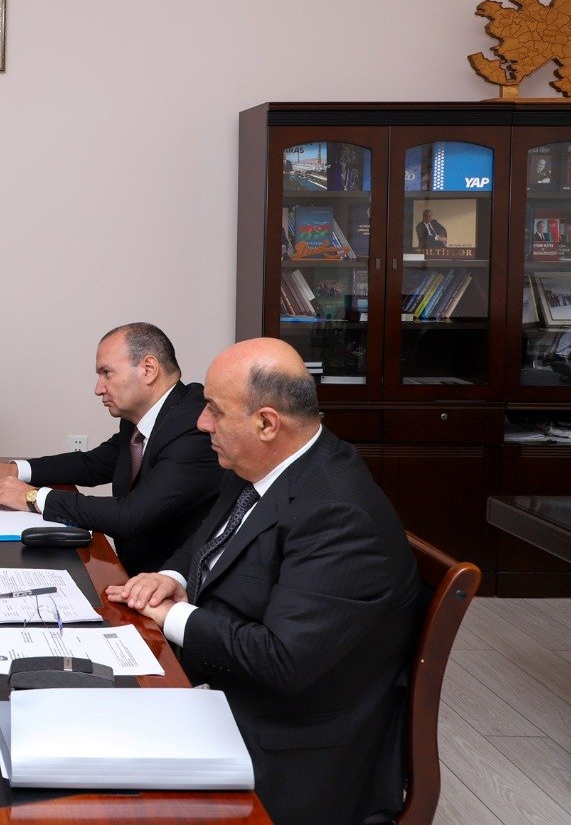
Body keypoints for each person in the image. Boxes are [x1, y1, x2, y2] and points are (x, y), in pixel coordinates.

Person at [107, 338, 420, 825]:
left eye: (214, 410)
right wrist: (171, 577)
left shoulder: (338, 515)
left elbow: (281, 659)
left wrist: (173, 616)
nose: (201, 423)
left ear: (267, 423)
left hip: (289, 750)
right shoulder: (259, 463)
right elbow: (206, 542)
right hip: (226, 691)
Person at [0, 323, 224, 574]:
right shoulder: (144, 416)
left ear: (148, 369)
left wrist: (33, 497)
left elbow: (130, 516)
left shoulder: (194, 428)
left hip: (171, 585)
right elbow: (93, 464)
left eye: (107, 373)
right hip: (132, 573)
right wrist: (12, 470)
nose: (98, 389)